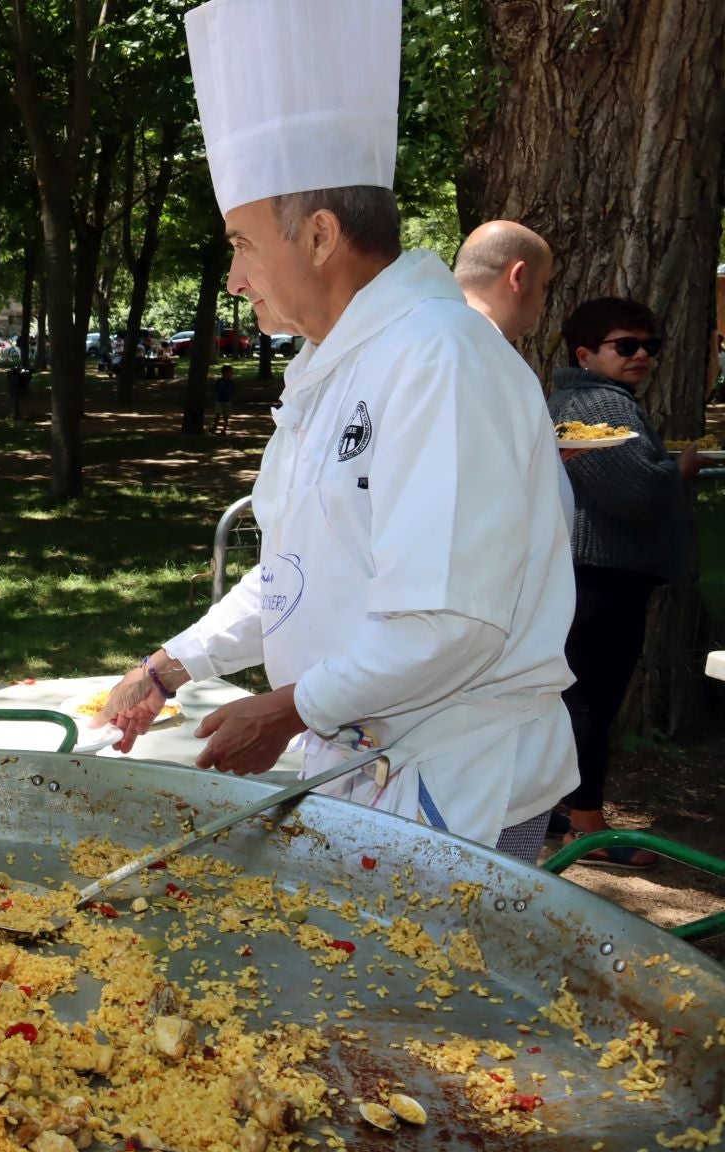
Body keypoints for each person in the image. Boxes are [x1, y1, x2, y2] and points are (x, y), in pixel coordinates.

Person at [93, 0, 576, 860]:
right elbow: (293, 574)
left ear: (319, 235)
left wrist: (283, 713)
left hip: (457, 785)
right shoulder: (331, 366)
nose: (236, 278)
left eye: (241, 243)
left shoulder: (442, 359)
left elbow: (449, 623)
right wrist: (173, 664)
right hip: (364, 764)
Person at [546, 298, 698, 865]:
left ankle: (556, 808)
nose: (642, 356)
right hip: (597, 576)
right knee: (590, 699)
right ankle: (586, 827)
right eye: (625, 345)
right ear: (586, 354)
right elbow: (635, 494)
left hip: (597, 573)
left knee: (580, 696)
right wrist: (679, 471)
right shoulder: (593, 404)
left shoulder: (599, 401)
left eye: (650, 346)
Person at [454, 220, 554, 344]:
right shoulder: (487, 354)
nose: (542, 304)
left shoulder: (428, 330)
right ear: (518, 277)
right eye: (543, 287)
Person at [212, 363, 236, 432]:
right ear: (224, 373)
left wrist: (232, 397)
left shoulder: (231, 382)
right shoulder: (219, 381)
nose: (231, 374)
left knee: (226, 416)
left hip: (227, 401)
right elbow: (215, 388)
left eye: (231, 373)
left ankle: (224, 429)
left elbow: (233, 391)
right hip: (219, 400)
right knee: (218, 414)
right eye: (230, 372)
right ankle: (215, 427)